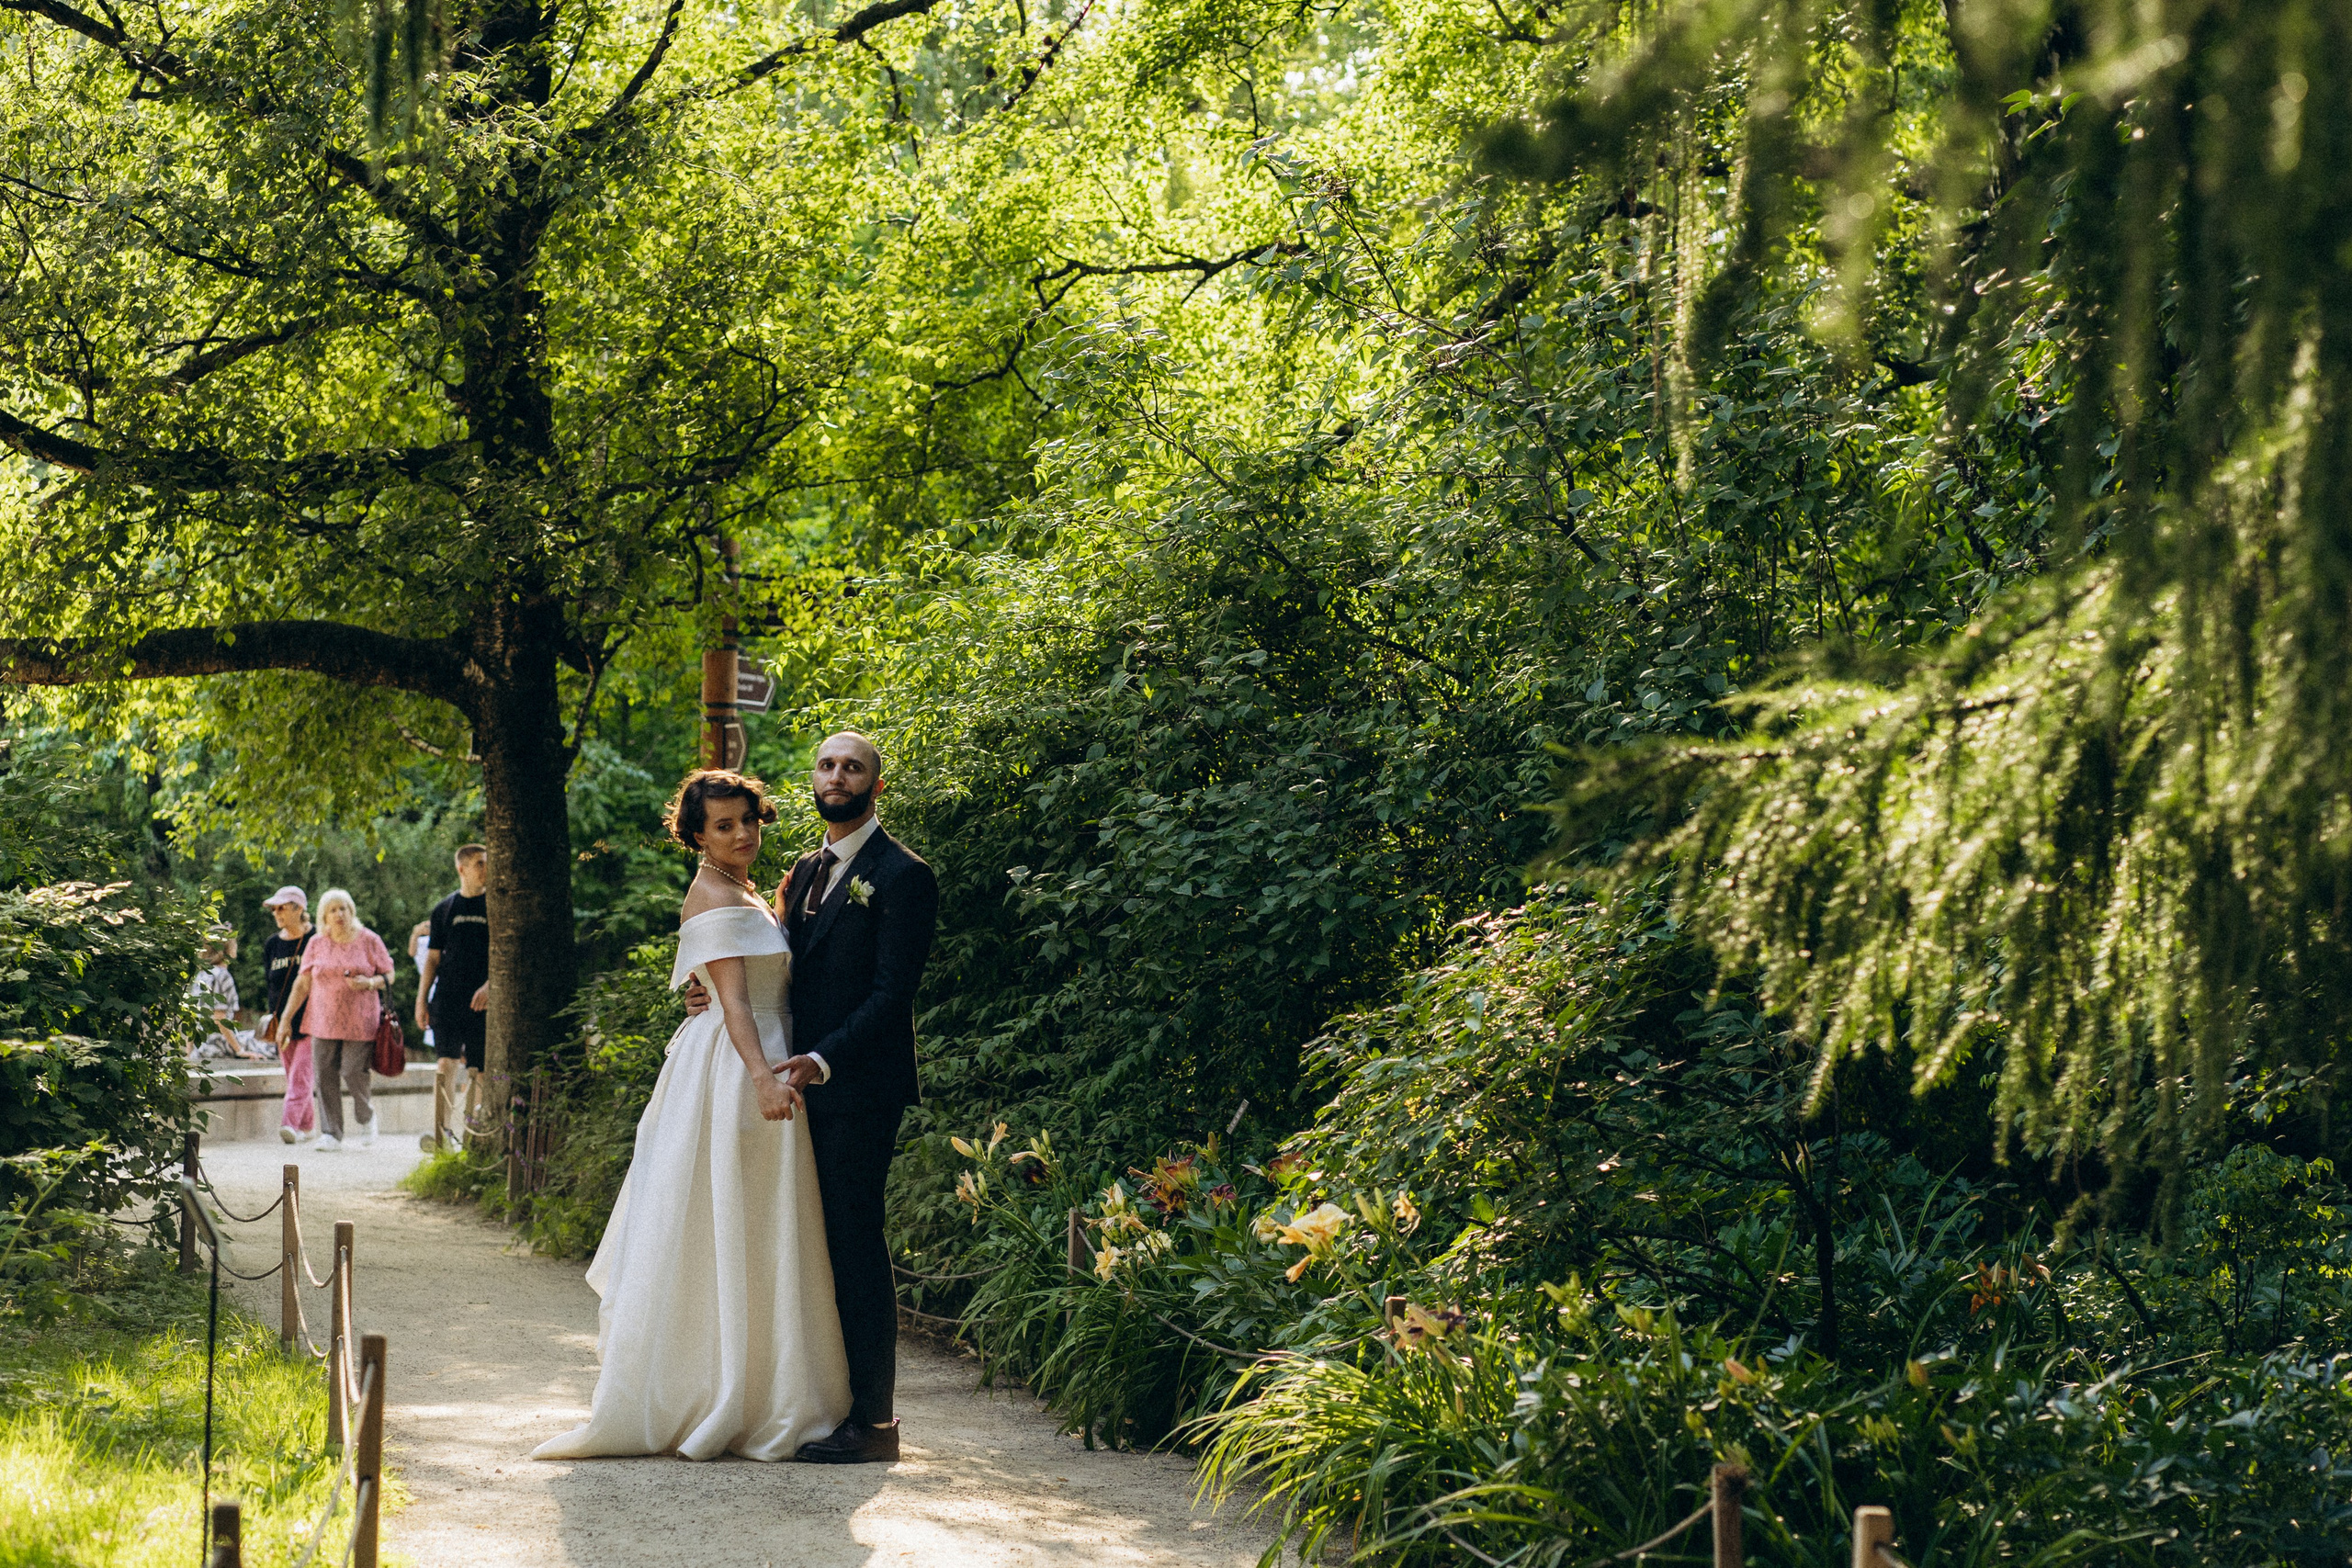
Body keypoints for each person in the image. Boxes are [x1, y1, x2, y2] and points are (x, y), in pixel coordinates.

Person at [533, 770, 849, 1462]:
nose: (742, 834)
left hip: (761, 1048)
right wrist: (762, 1078)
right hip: (737, 1068)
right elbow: (734, 1003)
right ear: (698, 836)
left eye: (749, 820)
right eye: (724, 826)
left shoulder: (747, 889)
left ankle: (756, 1386)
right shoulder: (710, 893)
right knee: (723, 1221)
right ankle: (718, 1390)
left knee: (755, 1225)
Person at [684, 730, 937, 1464]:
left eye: (853, 766)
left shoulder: (904, 875)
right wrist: (706, 991)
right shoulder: (800, 872)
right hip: (791, 1084)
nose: (837, 775)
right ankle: (810, 1399)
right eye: (827, 764)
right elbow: (766, 967)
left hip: (856, 1085)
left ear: (875, 785)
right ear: (815, 779)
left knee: (855, 1239)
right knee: (802, 1242)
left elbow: (892, 994)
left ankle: (876, 1422)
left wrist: (822, 1061)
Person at [276, 889, 394, 1151]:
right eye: (333, 910)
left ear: (352, 912)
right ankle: (331, 1133)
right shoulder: (317, 943)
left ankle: (366, 1116)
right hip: (322, 1020)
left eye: (343, 909)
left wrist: (369, 982)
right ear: (324, 916)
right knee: (324, 1075)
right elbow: (302, 983)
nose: (339, 914)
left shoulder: (369, 940)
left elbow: (389, 974)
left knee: (353, 1072)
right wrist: (286, 1019)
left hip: (360, 1020)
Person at [416, 845, 491, 1152]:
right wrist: (421, 999)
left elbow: (504, 953)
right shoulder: (444, 909)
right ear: (462, 869)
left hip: (482, 1001)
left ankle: (474, 1135)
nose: (486, 869)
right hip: (447, 998)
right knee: (445, 1062)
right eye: (480, 864)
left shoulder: (494, 906)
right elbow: (432, 959)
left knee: (479, 1069)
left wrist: (490, 986)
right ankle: (441, 1133)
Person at [259, 887, 319, 1142]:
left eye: (282, 907)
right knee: (293, 1075)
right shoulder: (272, 944)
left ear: (299, 908)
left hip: (313, 1020)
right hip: (282, 1023)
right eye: (274, 909)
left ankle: (289, 1124)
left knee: (300, 1076)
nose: (276, 913)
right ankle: (307, 1127)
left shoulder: (316, 939)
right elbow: (271, 983)